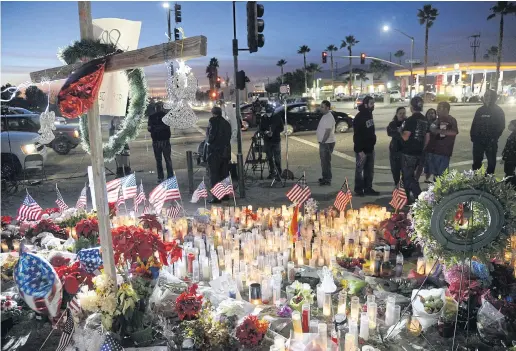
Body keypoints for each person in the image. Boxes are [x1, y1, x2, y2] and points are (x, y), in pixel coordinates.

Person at [400, 96, 430, 201]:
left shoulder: (410, 120)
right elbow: (427, 138)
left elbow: (405, 136)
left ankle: (420, 198)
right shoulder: (425, 120)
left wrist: (399, 131)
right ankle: (407, 198)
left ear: (412, 107)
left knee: (408, 177)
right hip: (419, 152)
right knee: (413, 177)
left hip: (409, 153)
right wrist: (422, 149)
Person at [470, 89, 506, 174]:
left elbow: (501, 126)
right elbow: (474, 124)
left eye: (489, 96)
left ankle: (488, 179)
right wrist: (473, 137)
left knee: (491, 162)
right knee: (476, 162)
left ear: (493, 98)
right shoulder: (480, 110)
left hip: (491, 141)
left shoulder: (498, 110)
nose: (486, 98)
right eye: (485, 95)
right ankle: (476, 179)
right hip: (478, 141)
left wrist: (494, 138)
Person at [425, 102, 459, 179]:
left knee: (443, 177)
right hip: (434, 152)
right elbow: (431, 130)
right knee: (435, 176)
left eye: (439, 108)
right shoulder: (437, 120)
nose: (437, 110)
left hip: (444, 152)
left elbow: (454, 132)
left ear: (446, 109)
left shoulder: (451, 120)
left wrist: (439, 131)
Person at [353, 95, 379, 196]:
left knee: (369, 170)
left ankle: (368, 188)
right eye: (371, 104)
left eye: (374, 103)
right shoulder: (359, 117)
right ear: (366, 104)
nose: (373, 106)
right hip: (362, 150)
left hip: (370, 149)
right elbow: (357, 135)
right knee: (359, 171)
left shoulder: (369, 114)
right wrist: (359, 150)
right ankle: (359, 189)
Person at [206, 106, 232, 203]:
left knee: (214, 174)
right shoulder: (226, 123)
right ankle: (225, 195)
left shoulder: (213, 121)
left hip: (215, 152)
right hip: (225, 152)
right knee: (224, 174)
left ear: (213, 113)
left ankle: (216, 197)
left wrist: (208, 142)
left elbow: (211, 135)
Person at [147, 102, 173, 183]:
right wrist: (161, 128)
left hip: (156, 141)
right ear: (162, 107)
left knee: (159, 160)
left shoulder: (151, 117)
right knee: (168, 160)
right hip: (165, 140)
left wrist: (155, 128)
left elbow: (149, 128)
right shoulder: (166, 116)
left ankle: (160, 177)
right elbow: (168, 126)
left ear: (155, 108)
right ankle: (170, 176)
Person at [260, 104, 284, 180]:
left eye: (269, 112)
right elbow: (261, 129)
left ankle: (279, 174)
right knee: (269, 158)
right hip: (267, 141)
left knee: (277, 158)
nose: (268, 114)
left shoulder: (277, 117)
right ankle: (272, 173)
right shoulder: (263, 118)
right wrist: (265, 132)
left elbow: (281, 128)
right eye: (267, 112)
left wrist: (274, 132)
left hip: (276, 140)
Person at [316, 100, 336, 186]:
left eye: (322, 107)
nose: (321, 108)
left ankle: (327, 179)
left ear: (327, 108)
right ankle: (325, 177)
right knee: (324, 162)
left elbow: (328, 132)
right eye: (321, 106)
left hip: (327, 143)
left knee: (326, 162)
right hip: (325, 142)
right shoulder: (325, 115)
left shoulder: (329, 117)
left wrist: (323, 142)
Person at [387, 107, 407, 187]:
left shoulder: (408, 122)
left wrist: (400, 132)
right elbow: (390, 133)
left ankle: (404, 188)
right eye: (400, 113)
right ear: (397, 114)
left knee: (405, 171)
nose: (402, 115)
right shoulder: (392, 124)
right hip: (395, 150)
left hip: (405, 150)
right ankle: (397, 186)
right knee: (395, 170)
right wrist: (399, 132)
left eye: (404, 113)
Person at [419, 108, 437, 183]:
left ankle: (435, 178)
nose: (431, 114)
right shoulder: (424, 123)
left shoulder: (437, 123)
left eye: (433, 113)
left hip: (435, 146)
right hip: (426, 146)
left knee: (435, 163)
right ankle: (427, 177)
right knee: (427, 163)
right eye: (429, 113)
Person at [502, 119, 516, 187]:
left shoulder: (514, 135)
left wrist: (505, 157)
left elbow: (509, 148)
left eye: (511, 125)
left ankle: (509, 185)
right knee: (509, 172)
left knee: (509, 173)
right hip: (510, 158)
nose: (508, 126)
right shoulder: (513, 134)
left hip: (511, 158)